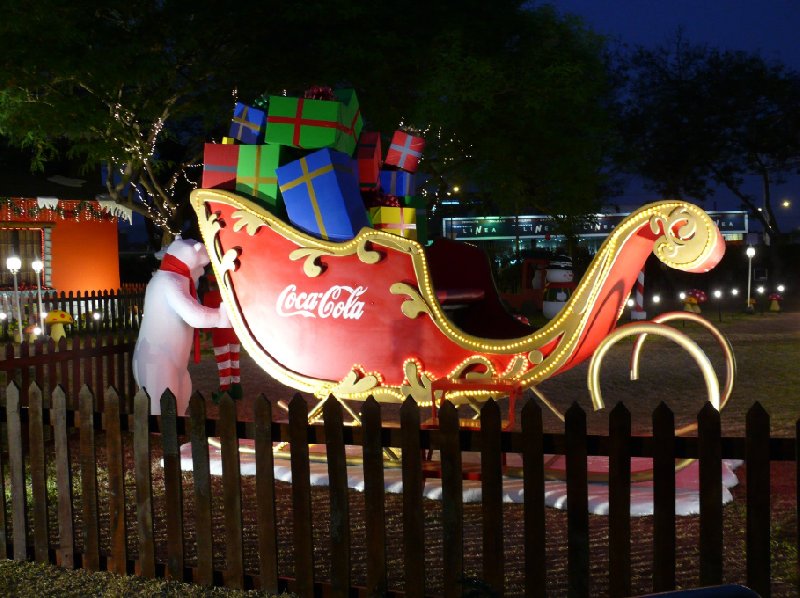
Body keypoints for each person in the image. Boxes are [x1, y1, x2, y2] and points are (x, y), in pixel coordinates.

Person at [201, 272, 242, 401]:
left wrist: (206, 331)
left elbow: (208, 316)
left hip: (220, 335)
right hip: (234, 334)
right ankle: (237, 389)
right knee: (235, 362)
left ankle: (224, 392)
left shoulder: (209, 296)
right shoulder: (230, 295)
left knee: (224, 365)